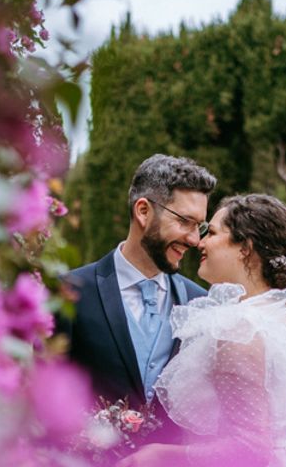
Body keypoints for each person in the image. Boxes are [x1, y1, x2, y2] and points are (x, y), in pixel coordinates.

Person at [116, 193, 286, 467]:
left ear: (245, 247)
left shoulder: (239, 331)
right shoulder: (282, 317)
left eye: (211, 232)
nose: (199, 242)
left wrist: (161, 456)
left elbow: (251, 449)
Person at [59, 154, 217, 442]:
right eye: (185, 221)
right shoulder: (69, 291)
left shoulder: (201, 303)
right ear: (143, 211)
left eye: (200, 226)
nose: (195, 240)